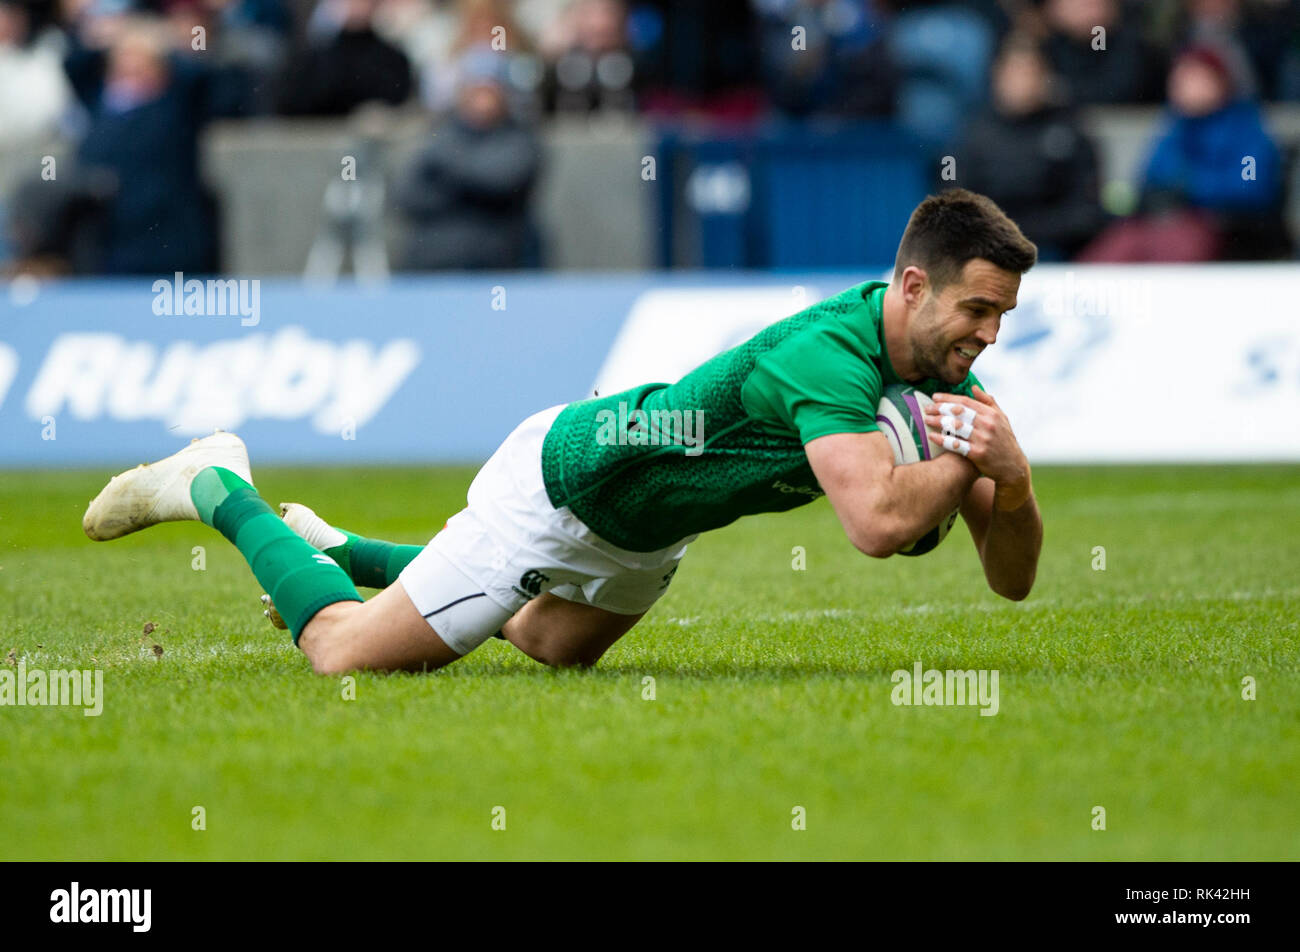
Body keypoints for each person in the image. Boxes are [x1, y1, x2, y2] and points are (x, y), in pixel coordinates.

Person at [82, 189, 1044, 676]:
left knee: (551, 644)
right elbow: (877, 526)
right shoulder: (828, 354)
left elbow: (1010, 581)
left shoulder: (945, 380)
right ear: (913, 285)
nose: (988, 335)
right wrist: (969, 465)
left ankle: (344, 546)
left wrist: (1019, 480)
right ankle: (214, 483)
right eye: (977, 309)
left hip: (649, 528)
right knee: (341, 652)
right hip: (566, 483)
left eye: (1000, 316)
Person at [958, 37, 1106, 260]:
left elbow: (1086, 213)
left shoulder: (1071, 133)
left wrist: (1026, 230)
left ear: (1046, 77)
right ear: (996, 76)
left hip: (1059, 255)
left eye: (1029, 71)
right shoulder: (971, 137)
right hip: (986, 255)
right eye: (1014, 71)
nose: (1022, 81)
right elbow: (956, 210)